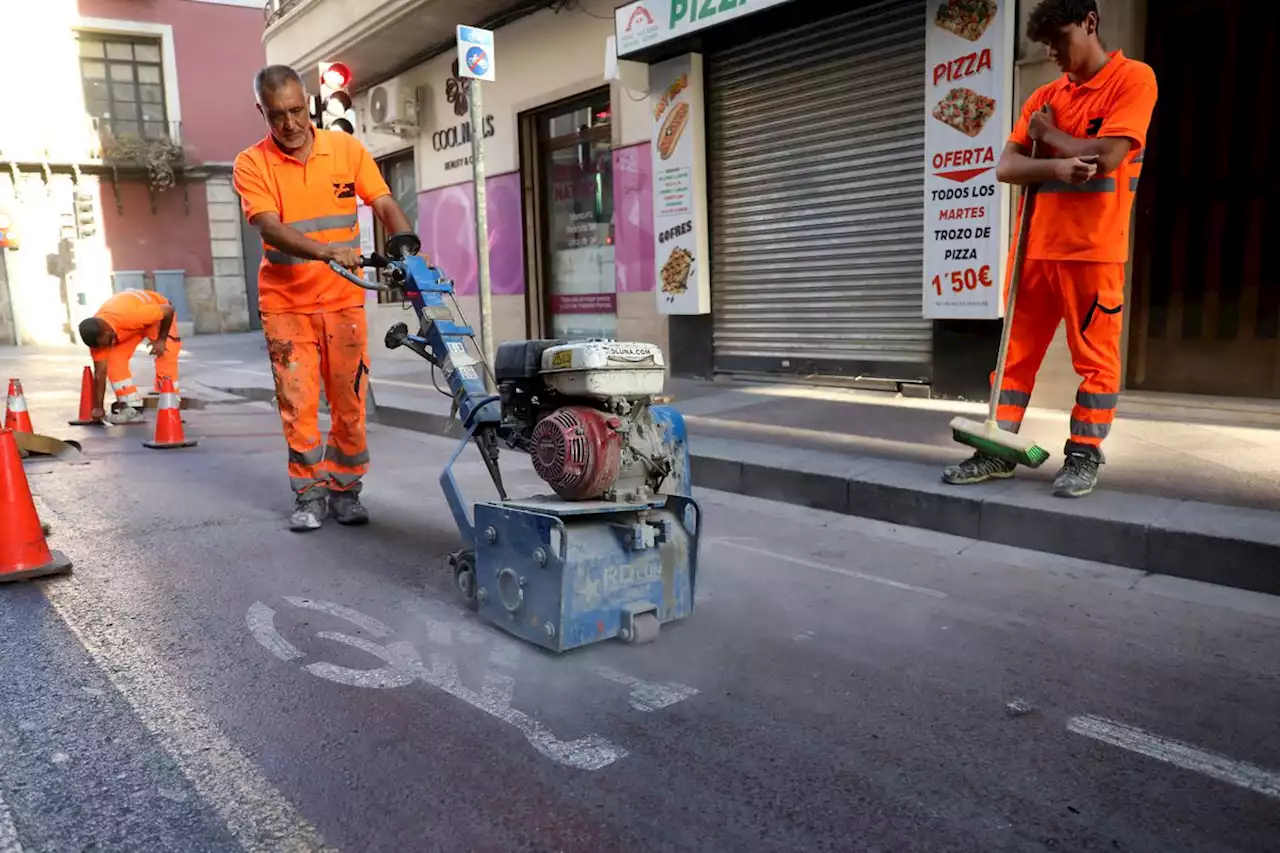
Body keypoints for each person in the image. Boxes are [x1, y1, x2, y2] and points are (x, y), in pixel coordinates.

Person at [942, 0, 1157, 498]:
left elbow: (1107, 157)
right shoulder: (1044, 95)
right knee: (1012, 358)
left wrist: (1048, 136)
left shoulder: (1133, 80)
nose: (1054, 52)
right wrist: (1058, 165)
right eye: (1046, 45)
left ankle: (1083, 454)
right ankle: (997, 448)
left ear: (1090, 23)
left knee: (1096, 361)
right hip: (1033, 250)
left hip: (1094, 251)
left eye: (1061, 39)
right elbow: (1005, 168)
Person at [232, 65, 414, 531]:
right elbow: (268, 226)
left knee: (350, 400)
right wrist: (325, 251)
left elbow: (384, 200)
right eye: (277, 116)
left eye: (296, 111)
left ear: (309, 103)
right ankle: (310, 493)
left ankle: (346, 490)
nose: (289, 124)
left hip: (343, 302)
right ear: (262, 113)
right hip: (286, 306)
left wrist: (409, 247)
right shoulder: (251, 164)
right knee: (299, 404)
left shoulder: (346, 149)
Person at [77, 289, 180, 424]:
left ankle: (170, 406)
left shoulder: (131, 315)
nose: (106, 347)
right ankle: (132, 408)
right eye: (101, 346)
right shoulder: (97, 340)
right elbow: (100, 373)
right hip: (130, 327)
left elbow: (168, 310)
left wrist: (161, 340)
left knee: (166, 352)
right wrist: (98, 408)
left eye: (107, 342)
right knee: (114, 360)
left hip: (157, 315)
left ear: (107, 331)